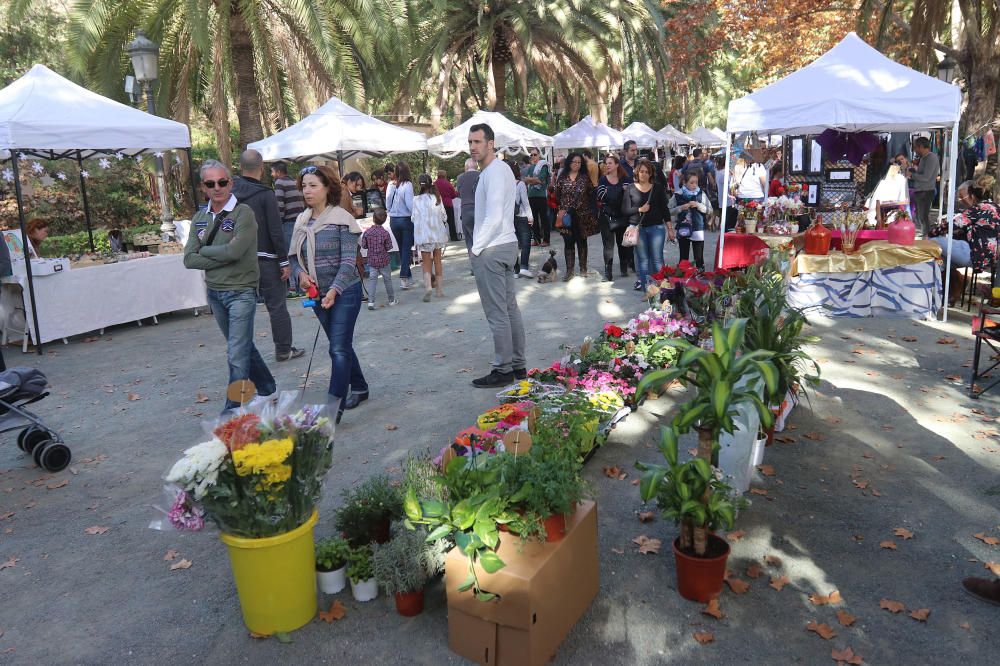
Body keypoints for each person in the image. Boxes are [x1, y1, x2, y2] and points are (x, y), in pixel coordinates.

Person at [184, 159, 276, 412]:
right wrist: (219, 254)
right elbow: (189, 259)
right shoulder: (200, 218)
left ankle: (233, 408)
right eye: (211, 183)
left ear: (231, 183)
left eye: (222, 182)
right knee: (242, 345)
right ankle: (267, 387)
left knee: (236, 353)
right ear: (203, 186)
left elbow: (235, 252)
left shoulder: (243, 213)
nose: (217, 188)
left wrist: (206, 251)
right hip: (215, 293)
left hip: (241, 292)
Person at [289, 164, 367, 423]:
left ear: (327, 188)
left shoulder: (342, 219)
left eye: (313, 185)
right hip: (317, 294)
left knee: (337, 348)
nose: (307, 191)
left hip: (345, 291)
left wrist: (333, 290)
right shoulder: (302, 221)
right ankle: (360, 386)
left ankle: (333, 411)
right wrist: (300, 274)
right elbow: (293, 257)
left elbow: (348, 262)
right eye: (304, 186)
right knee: (340, 344)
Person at [467, 123, 526, 388]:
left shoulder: (493, 172)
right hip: (506, 244)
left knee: (498, 312)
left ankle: (503, 369)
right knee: (509, 309)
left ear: (491, 143)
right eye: (470, 142)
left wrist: (476, 249)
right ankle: (517, 365)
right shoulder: (500, 170)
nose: (472, 147)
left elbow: (494, 217)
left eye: (477, 142)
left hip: (492, 248)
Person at [233, 149, 304, 363]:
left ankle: (241, 353)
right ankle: (283, 350)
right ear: (262, 168)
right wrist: (284, 261)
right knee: (277, 306)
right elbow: (275, 230)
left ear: (240, 167)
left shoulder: (228, 194)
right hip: (267, 259)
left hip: (238, 259)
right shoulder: (265, 194)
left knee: (241, 309)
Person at [929, 175, 1000, 302]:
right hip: (989, 257)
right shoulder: (996, 209)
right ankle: (946, 294)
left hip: (974, 254)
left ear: (972, 196)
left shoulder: (978, 209)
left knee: (934, 242)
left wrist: (932, 232)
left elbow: (952, 224)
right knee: (941, 260)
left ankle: (939, 292)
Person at [622, 159, 669, 290]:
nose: (644, 174)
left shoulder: (658, 188)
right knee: (642, 260)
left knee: (657, 259)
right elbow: (625, 210)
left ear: (651, 174)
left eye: (647, 172)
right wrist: (639, 209)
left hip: (657, 228)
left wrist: (670, 228)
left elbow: (665, 209)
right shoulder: (630, 188)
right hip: (639, 228)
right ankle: (646, 289)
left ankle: (661, 287)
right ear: (637, 172)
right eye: (641, 171)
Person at [554, 152, 598, 280]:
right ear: (569, 162)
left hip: (582, 216)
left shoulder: (585, 177)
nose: (577, 164)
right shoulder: (562, 177)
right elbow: (557, 194)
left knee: (582, 242)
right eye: (574, 162)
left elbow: (591, 194)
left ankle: (583, 269)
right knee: (568, 242)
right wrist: (564, 207)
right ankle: (569, 271)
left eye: (579, 162)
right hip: (566, 216)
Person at [412, 173, 449, 301]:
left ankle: (428, 286)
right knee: (438, 261)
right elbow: (444, 216)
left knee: (426, 263)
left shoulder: (416, 200)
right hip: (438, 234)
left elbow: (413, 218)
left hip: (423, 236)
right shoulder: (437, 198)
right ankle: (439, 290)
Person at [597, 154, 633, 281]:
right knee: (608, 245)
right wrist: (619, 191)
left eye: (610, 163)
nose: (607, 165)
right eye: (606, 163)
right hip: (606, 216)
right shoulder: (602, 179)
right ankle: (608, 272)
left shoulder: (625, 178)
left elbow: (631, 194)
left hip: (622, 215)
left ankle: (623, 268)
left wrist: (611, 191)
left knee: (622, 243)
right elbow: (600, 195)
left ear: (617, 164)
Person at [668, 170, 713, 270]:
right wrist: (681, 208)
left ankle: (700, 276)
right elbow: (668, 211)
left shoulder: (701, 194)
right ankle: (682, 278)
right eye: (691, 183)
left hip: (698, 228)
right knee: (683, 257)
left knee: (699, 258)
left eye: (696, 182)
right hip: (683, 228)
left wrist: (698, 205)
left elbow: (710, 210)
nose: (694, 185)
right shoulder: (677, 194)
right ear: (684, 182)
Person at [385, 161, 415, 289]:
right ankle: (403, 277)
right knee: (406, 249)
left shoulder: (391, 185)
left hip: (393, 220)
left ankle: (408, 277)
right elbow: (410, 205)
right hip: (405, 219)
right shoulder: (407, 185)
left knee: (402, 248)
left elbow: (387, 203)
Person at [360, 209, 397, 310]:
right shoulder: (385, 233)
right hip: (384, 260)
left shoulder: (367, 232)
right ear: (385, 220)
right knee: (387, 280)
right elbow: (389, 247)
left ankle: (371, 302)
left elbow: (363, 246)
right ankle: (391, 300)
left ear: (373, 219)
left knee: (372, 281)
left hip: (372, 260)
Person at [270, 162, 305, 266]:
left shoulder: (279, 182)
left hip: (289, 224)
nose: (271, 175)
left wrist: (277, 223)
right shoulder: (294, 181)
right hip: (301, 221)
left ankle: (293, 281)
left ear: (278, 172)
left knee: (291, 255)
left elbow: (279, 205)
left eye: (272, 172)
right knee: (300, 254)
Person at [910, 136, 940, 237]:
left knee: (923, 217)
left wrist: (911, 175)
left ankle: (928, 237)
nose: (915, 150)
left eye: (916, 147)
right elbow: (922, 173)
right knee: (920, 217)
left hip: (926, 191)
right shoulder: (924, 158)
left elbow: (926, 177)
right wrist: (912, 170)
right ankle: (926, 236)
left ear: (921, 146)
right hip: (921, 190)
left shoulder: (931, 157)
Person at [509, 160, 535, 277]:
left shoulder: (503, 184)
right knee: (525, 242)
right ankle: (524, 266)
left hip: (509, 217)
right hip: (522, 216)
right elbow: (525, 202)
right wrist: (530, 216)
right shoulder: (520, 184)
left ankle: (515, 269)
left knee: (514, 243)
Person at [523, 148, 551, 246]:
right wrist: (534, 179)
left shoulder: (543, 166)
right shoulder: (530, 167)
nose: (533, 157)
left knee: (544, 218)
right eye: (531, 155)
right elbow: (526, 179)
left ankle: (546, 240)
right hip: (531, 195)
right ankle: (536, 239)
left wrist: (533, 180)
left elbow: (541, 179)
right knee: (533, 219)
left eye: (535, 154)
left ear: (539, 155)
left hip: (541, 196)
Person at [456, 158, 480, 256]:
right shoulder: (481, 175)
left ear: (466, 167)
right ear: (476, 166)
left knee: (469, 238)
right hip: (479, 208)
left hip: (465, 209)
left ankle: (473, 264)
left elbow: (459, 193)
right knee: (481, 236)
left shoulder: (460, 178)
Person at [434, 169, 460, 241]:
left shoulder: (434, 184)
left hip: (438, 205)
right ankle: (453, 237)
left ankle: (439, 238)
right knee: (451, 221)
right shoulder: (447, 183)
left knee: (439, 221)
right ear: (445, 175)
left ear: (438, 175)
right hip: (448, 204)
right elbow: (454, 195)